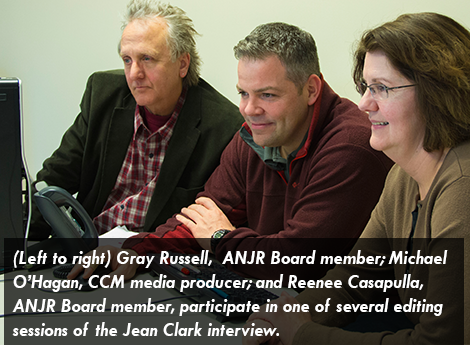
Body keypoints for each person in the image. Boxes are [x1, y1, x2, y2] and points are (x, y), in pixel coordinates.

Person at [70, 22, 392, 282]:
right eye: (243, 93)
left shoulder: (350, 147)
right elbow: (201, 219)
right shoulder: (252, 135)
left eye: (267, 94)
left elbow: (297, 262)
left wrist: (221, 238)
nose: (250, 110)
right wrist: (136, 250)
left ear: (310, 89)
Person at [243, 12, 470, 344]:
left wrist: (301, 334)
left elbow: (438, 342)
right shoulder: (403, 177)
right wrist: (282, 317)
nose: (364, 104)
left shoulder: (462, 189)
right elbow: (354, 279)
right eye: (365, 86)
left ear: (436, 93)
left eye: (381, 88)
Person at [29, 0, 243, 240]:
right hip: (87, 248)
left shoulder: (224, 127)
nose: (134, 74)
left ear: (182, 64)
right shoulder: (102, 95)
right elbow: (53, 180)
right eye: (127, 60)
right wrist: (19, 250)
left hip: (147, 260)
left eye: (147, 59)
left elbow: (198, 223)